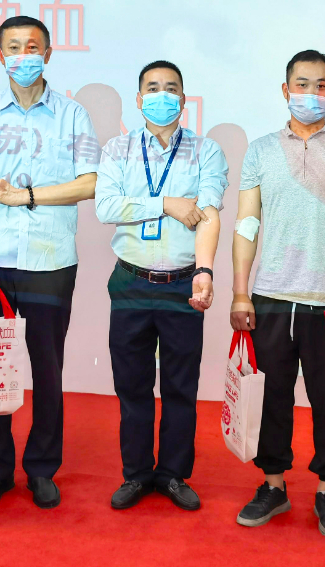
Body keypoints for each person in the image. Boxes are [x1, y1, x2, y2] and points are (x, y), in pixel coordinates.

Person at [230, 50, 325, 538]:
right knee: (272, 396)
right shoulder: (260, 150)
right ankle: (273, 485)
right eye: (301, 84)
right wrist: (241, 292)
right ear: (285, 90)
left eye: (321, 85)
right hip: (271, 296)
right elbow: (247, 224)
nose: (311, 93)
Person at [0, 16, 100, 510]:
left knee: (47, 368)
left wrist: (26, 196)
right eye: (14, 47)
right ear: (0, 56)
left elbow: (89, 183)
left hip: (50, 258)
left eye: (32, 47)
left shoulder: (74, 115)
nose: (23, 55)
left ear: (48, 53)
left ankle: (41, 468)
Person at [95, 60, 229, 511]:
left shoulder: (207, 151)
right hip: (131, 282)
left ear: (183, 99)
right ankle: (136, 474)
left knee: (180, 387)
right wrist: (166, 203)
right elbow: (106, 207)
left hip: (182, 284)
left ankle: (172, 474)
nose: (162, 95)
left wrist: (205, 271)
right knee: (131, 386)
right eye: (152, 88)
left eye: (171, 88)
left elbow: (208, 213)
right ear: (139, 99)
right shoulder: (118, 149)